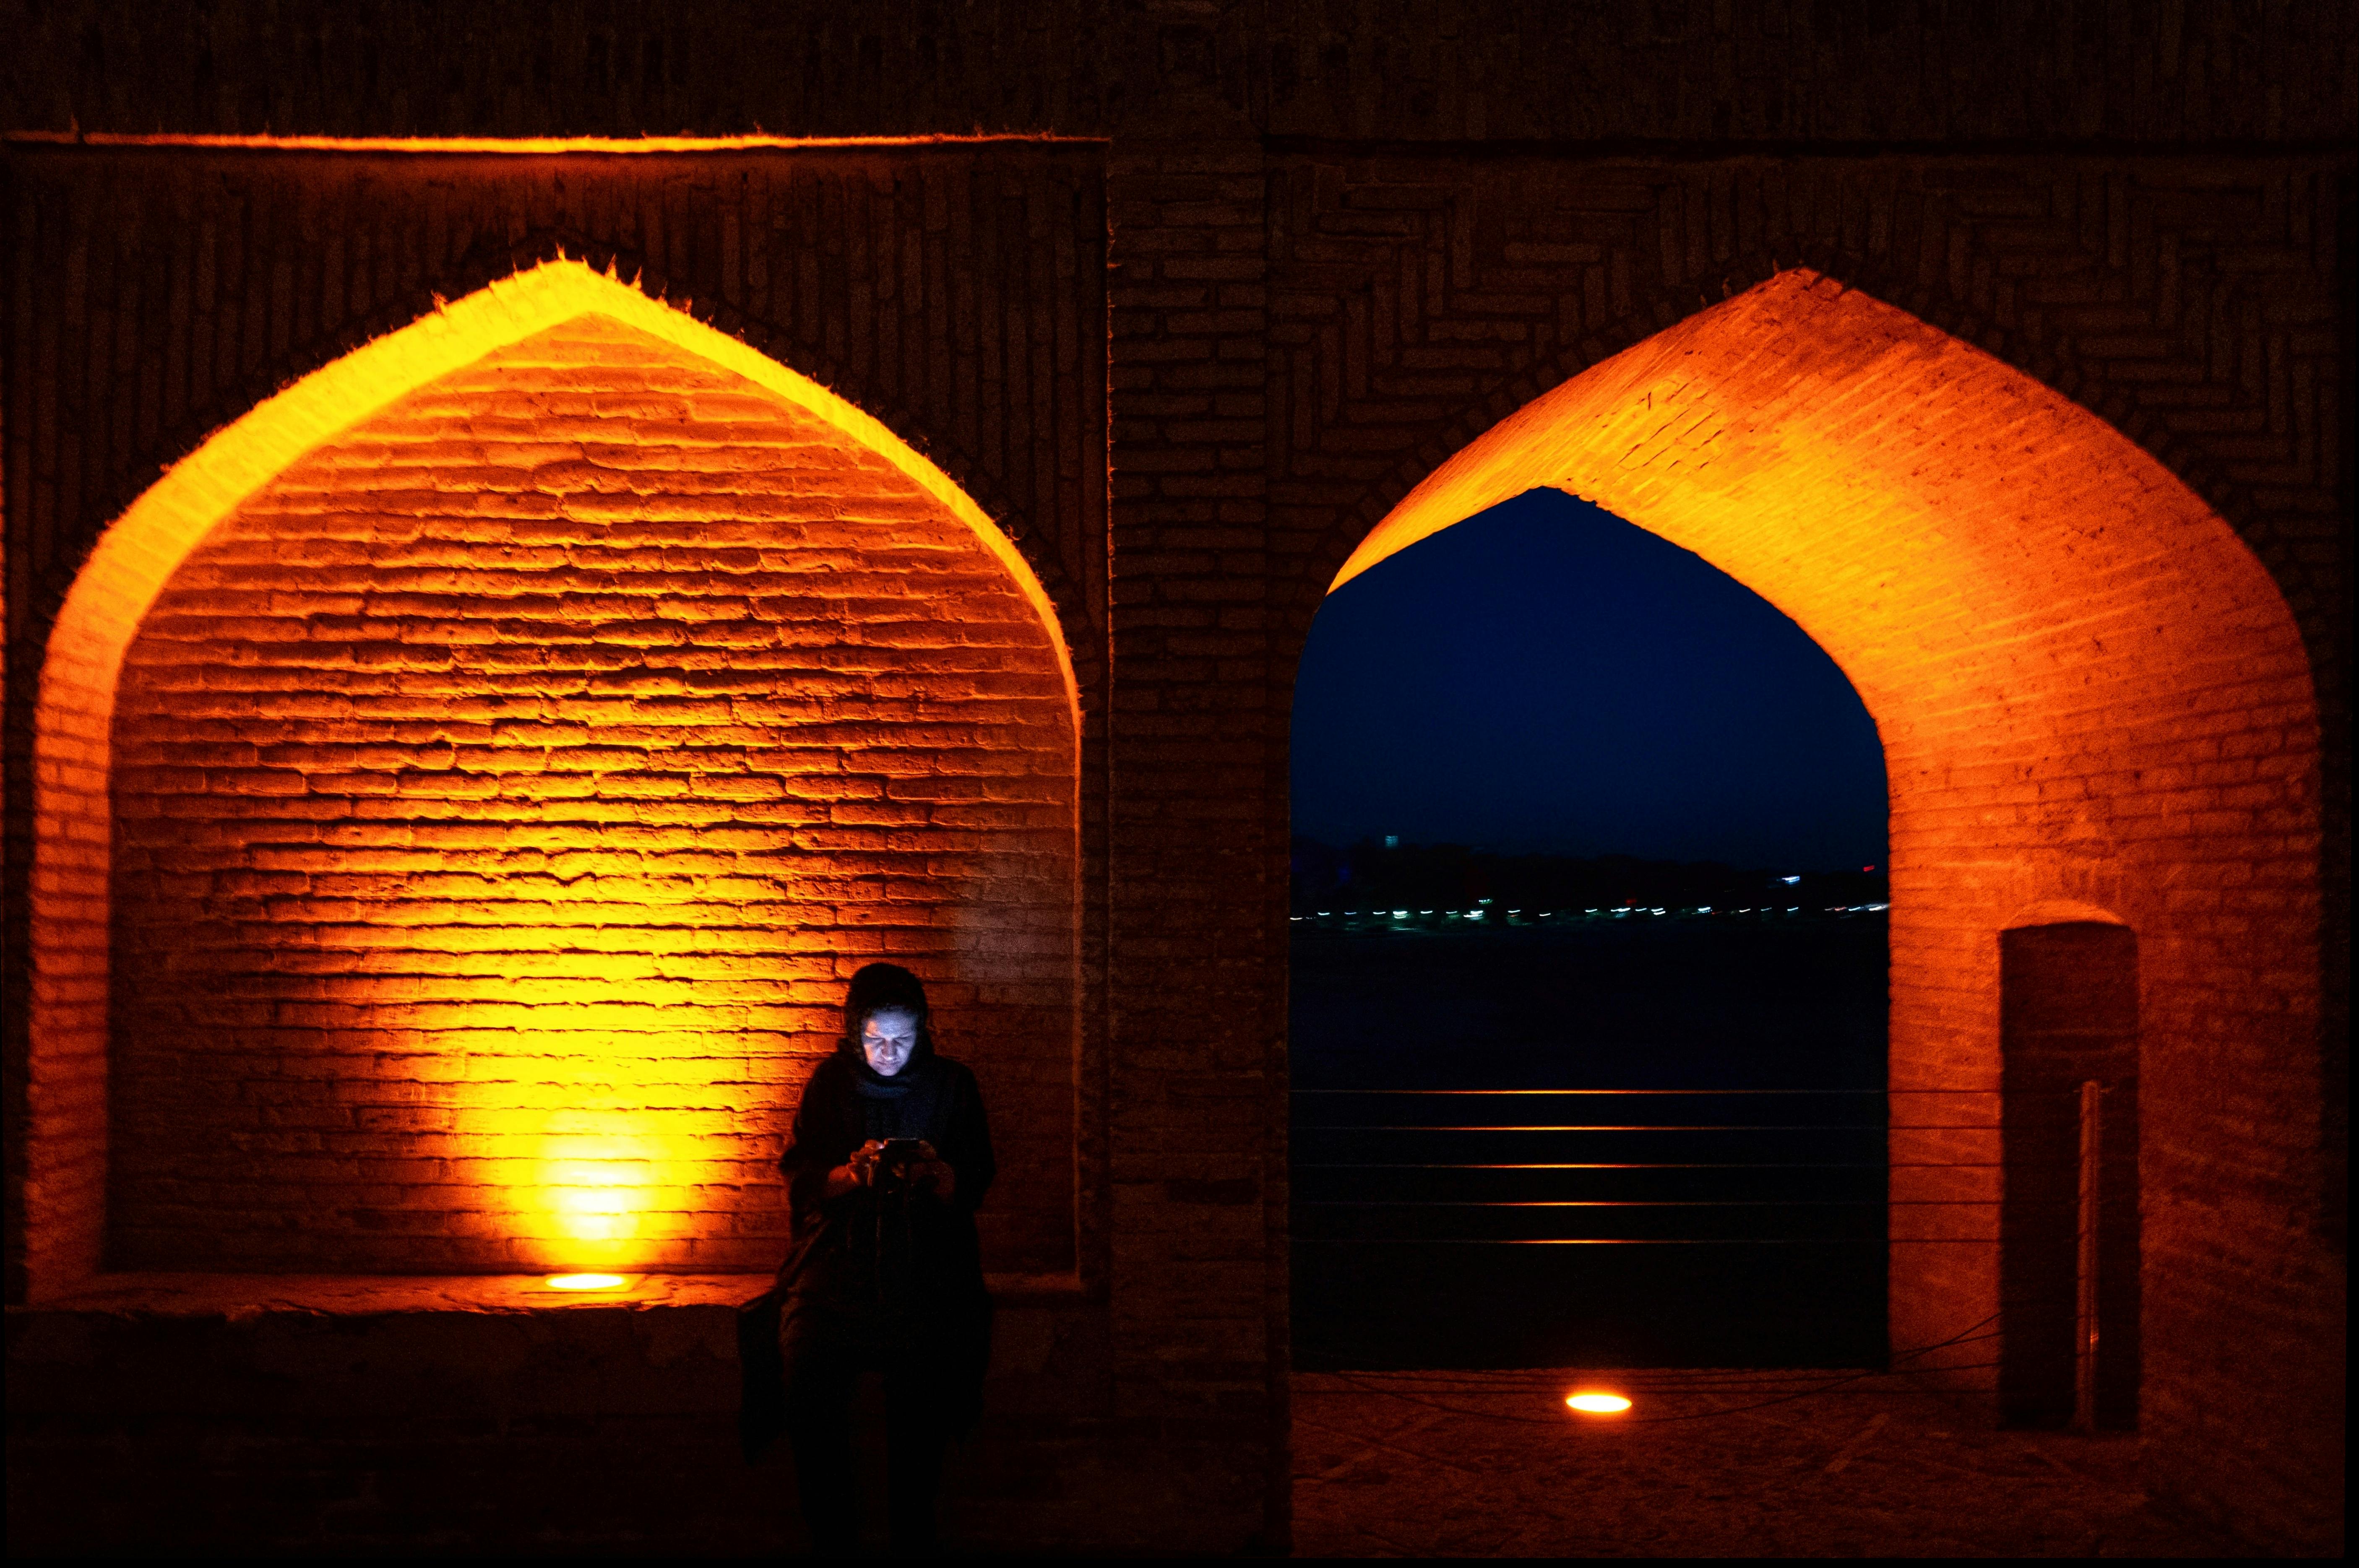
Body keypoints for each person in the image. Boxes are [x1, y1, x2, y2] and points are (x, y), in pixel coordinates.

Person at [773, 962, 995, 1554]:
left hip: (926, 1273)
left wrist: (940, 1175)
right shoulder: (831, 1084)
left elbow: (977, 1178)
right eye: (875, 1039)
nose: (889, 1053)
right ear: (855, 1033)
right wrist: (852, 1173)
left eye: (903, 1040)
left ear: (924, 1033)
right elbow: (801, 1177)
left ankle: (912, 1535)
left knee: (924, 1405)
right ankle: (831, 1537)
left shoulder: (951, 1085)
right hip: (836, 1274)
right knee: (807, 1379)